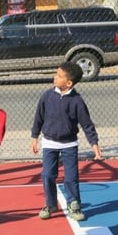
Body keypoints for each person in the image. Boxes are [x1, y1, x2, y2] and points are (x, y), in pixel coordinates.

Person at [31, 61, 102, 222]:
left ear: (68, 83)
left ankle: (74, 204)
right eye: (56, 74)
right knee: (48, 175)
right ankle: (50, 204)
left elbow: (86, 124)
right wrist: (34, 136)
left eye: (59, 76)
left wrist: (94, 144)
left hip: (69, 144)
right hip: (49, 143)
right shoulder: (47, 96)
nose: (55, 77)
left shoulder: (77, 100)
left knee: (71, 177)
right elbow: (38, 118)